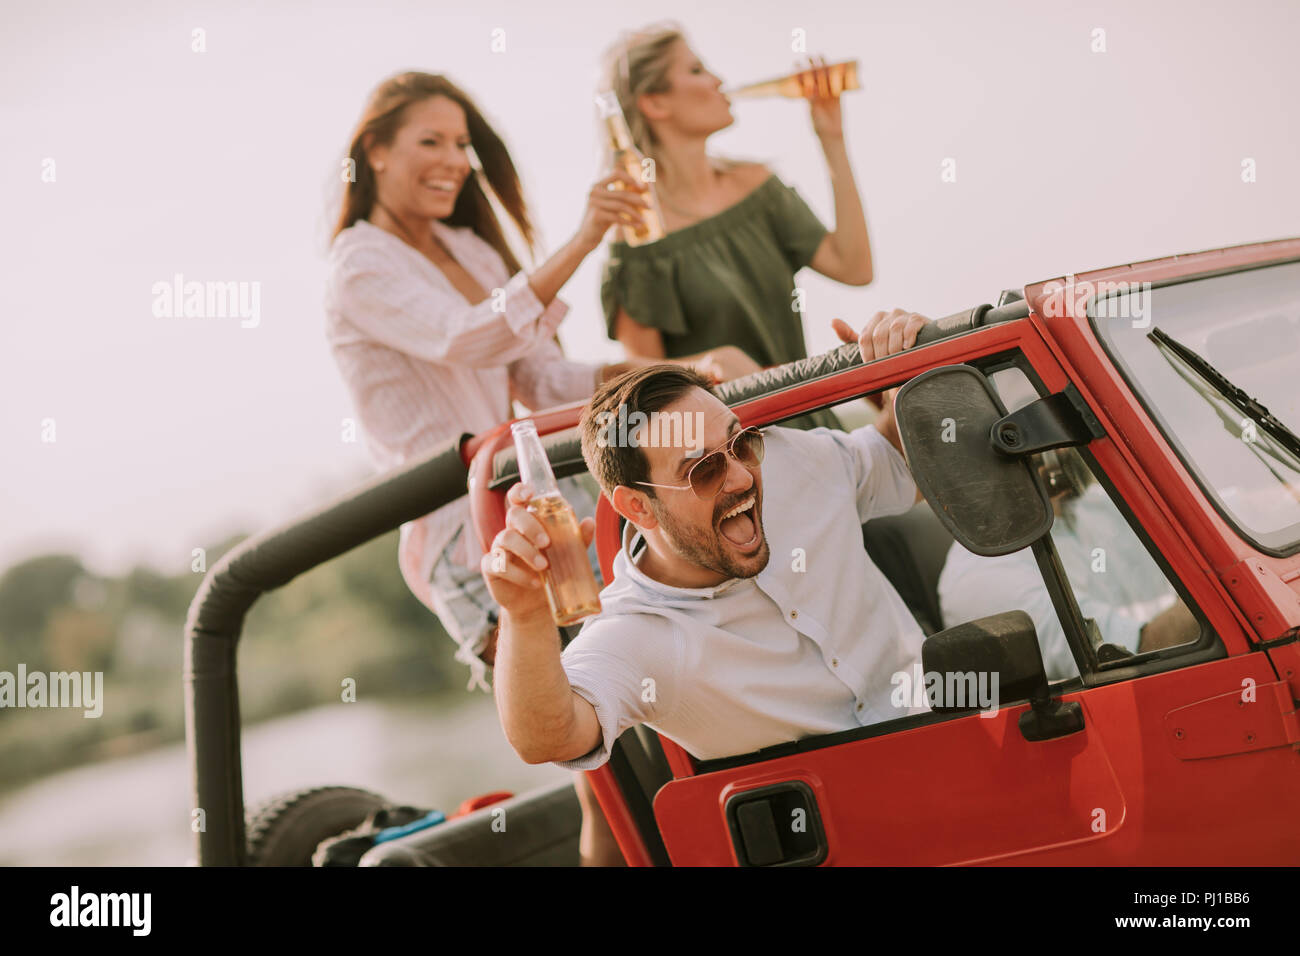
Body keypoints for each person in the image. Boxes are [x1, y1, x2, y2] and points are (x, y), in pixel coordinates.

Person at [324, 71, 756, 693]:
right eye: (432, 142)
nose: (454, 161)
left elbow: (541, 376)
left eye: (461, 145)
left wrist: (681, 372)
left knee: (661, 684)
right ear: (378, 150)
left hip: (543, 499)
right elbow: (468, 336)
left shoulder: (469, 249)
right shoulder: (359, 265)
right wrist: (586, 238)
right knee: (579, 716)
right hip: (467, 531)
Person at [483, 309, 931, 774]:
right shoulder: (639, 633)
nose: (740, 476)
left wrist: (907, 365)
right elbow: (548, 738)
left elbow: (903, 463)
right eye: (703, 470)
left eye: (739, 444)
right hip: (851, 825)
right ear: (637, 508)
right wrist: (524, 613)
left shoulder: (787, 461)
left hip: (960, 735)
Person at [599, 25, 876, 430]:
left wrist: (831, 139)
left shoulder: (758, 188)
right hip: (731, 461)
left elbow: (854, 268)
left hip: (817, 432)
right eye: (696, 70)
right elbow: (647, 389)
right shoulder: (638, 238)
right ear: (655, 103)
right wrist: (711, 367)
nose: (718, 81)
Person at [937, 450, 1199, 680]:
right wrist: (1222, 589)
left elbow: (1213, 511)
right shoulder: (983, 576)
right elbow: (1134, 655)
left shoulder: (1094, 506)